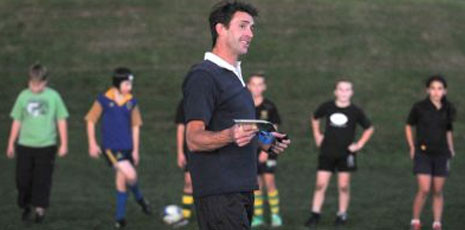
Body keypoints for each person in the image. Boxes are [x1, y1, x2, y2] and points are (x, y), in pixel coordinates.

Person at [182, 2, 290, 230]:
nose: (250, 34)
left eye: (252, 28)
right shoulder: (204, 76)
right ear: (220, 29)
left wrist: (265, 141)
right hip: (220, 193)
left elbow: (237, 129)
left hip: (240, 190)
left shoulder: (235, 79)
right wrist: (230, 135)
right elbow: (193, 139)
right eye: (243, 26)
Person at [85, 67, 151, 229]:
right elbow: (90, 120)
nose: (130, 87)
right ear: (117, 83)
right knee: (131, 174)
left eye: (131, 84)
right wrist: (92, 143)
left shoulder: (131, 102)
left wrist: (135, 150)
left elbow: (136, 126)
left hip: (127, 148)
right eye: (127, 83)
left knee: (122, 181)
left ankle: (120, 219)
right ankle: (140, 199)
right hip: (111, 149)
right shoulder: (103, 100)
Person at [305, 79, 374, 228]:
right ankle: (315, 214)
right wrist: (317, 135)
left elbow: (369, 128)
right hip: (327, 151)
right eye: (341, 89)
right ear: (335, 92)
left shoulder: (355, 111)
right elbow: (315, 117)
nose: (344, 92)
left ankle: (342, 214)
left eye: (347, 90)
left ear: (351, 92)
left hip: (346, 154)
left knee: (343, 186)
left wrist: (359, 144)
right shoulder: (328, 107)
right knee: (320, 184)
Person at [6, 63, 69, 223]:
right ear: (29, 82)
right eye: (32, 84)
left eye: (39, 84)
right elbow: (17, 120)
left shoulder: (54, 96)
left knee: (42, 179)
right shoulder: (23, 96)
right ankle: (25, 205)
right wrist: (11, 143)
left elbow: (61, 120)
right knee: (23, 179)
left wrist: (64, 143)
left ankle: (40, 209)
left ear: (45, 82)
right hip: (25, 145)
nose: (35, 88)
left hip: (46, 146)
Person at [406, 75, 456, 230]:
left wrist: (451, 147)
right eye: (433, 88)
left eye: (439, 89)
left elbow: (448, 130)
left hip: (441, 154)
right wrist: (412, 146)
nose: (436, 92)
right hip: (423, 153)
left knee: (438, 190)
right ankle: (415, 220)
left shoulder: (448, 108)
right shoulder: (419, 107)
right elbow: (408, 125)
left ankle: (437, 223)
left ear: (445, 91)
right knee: (424, 189)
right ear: (428, 90)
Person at [247, 73, 283, 228]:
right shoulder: (244, 104)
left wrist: (264, 150)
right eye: (253, 84)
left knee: (270, 182)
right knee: (256, 185)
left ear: (264, 87)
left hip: (267, 149)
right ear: (248, 86)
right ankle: (258, 216)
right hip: (249, 151)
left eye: (260, 84)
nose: (256, 87)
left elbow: (274, 129)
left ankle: (275, 215)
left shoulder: (269, 106)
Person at [174, 99, 194, 227]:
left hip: (211, 147)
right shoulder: (185, 102)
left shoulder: (214, 99)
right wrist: (180, 152)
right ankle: (185, 217)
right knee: (189, 181)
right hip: (191, 149)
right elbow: (181, 128)